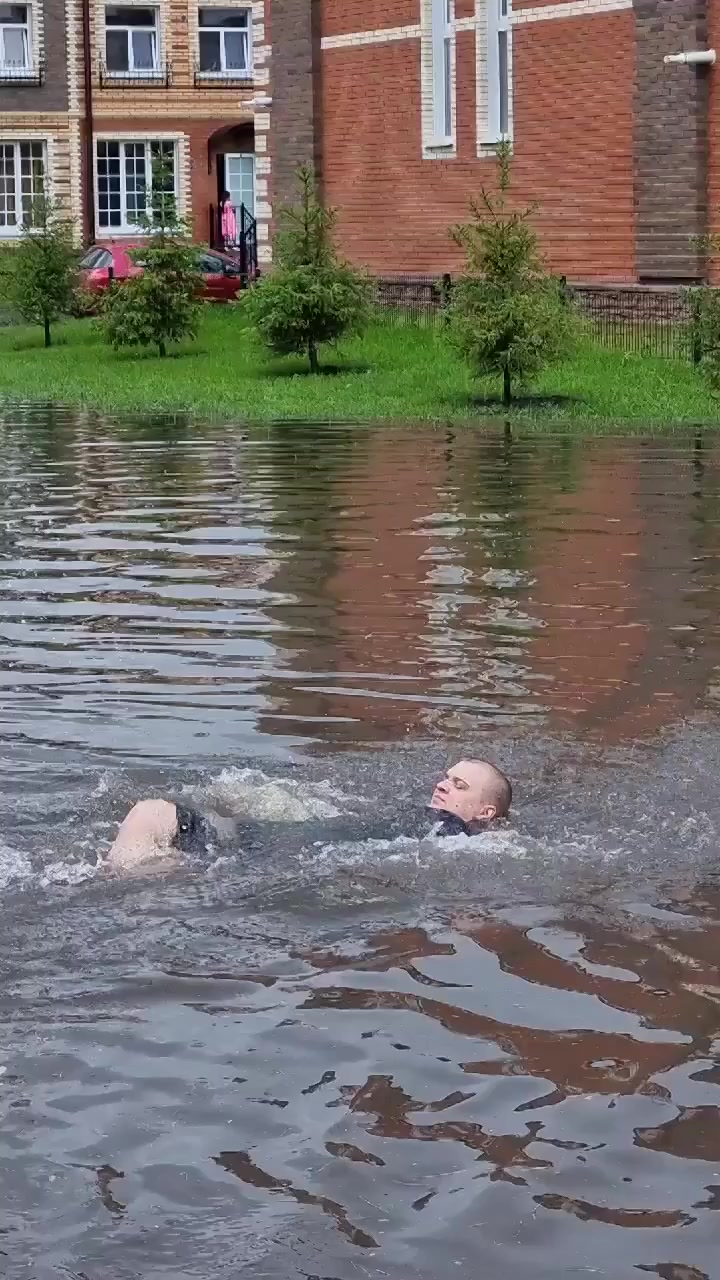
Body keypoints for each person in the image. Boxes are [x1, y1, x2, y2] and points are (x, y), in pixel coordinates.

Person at [106, 758, 512, 871]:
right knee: (153, 822)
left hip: (257, 852)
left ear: (486, 810)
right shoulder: (422, 823)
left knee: (151, 814)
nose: (443, 785)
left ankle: (112, 887)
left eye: (459, 786)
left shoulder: (451, 829)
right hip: (257, 844)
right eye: (446, 777)